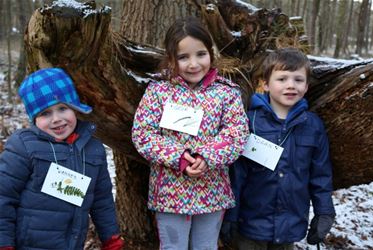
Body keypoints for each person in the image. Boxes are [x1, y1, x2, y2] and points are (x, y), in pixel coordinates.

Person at [131, 17, 249, 250]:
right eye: (183, 57)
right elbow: (143, 134)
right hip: (170, 194)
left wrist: (207, 157)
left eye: (200, 54)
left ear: (211, 53)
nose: (193, 64)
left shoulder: (226, 93)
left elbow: (236, 133)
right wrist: (181, 157)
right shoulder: (158, 91)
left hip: (212, 191)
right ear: (171, 58)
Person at [221, 47, 336, 250]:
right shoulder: (249, 122)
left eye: (298, 79)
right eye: (282, 79)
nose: (290, 85)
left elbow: (321, 175)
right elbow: (236, 174)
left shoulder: (313, 126)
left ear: (307, 86)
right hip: (250, 224)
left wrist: (324, 212)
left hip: (290, 225)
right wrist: (230, 214)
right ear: (265, 84)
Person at [0, 68, 124, 250]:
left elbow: (101, 199)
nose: (56, 119)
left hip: (72, 242)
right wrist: (4, 243)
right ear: (34, 118)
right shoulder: (24, 146)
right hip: (29, 244)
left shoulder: (92, 149)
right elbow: (4, 197)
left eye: (62, 108)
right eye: (45, 113)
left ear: (74, 107)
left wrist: (111, 237)